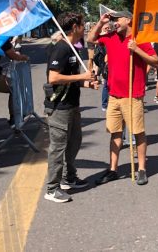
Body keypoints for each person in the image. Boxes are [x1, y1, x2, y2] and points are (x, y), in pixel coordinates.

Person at [88, 10, 158, 186]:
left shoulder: (139, 39)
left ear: (128, 20)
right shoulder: (110, 36)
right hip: (114, 95)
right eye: (112, 19)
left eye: (117, 18)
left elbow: (156, 61)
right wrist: (100, 22)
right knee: (115, 133)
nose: (114, 22)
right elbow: (90, 39)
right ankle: (113, 169)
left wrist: (137, 50)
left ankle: (141, 169)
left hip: (132, 96)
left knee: (138, 133)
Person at [44, 12, 99, 203]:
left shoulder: (72, 48)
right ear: (75, 27)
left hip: (72, 104)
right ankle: (52, 188)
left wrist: (87, 84)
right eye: (83, 25)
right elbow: (53, 78)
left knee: (74, 142)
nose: (85, 29)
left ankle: (69, 177)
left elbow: (71, 80)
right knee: (58, 148)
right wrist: (82, 76)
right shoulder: (61, 48)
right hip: (59, 106)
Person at [0, 37, 29, 128]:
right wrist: (24, 57)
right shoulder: (0, 37)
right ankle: (15, 118)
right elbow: (13, 55)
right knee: (16, 86)